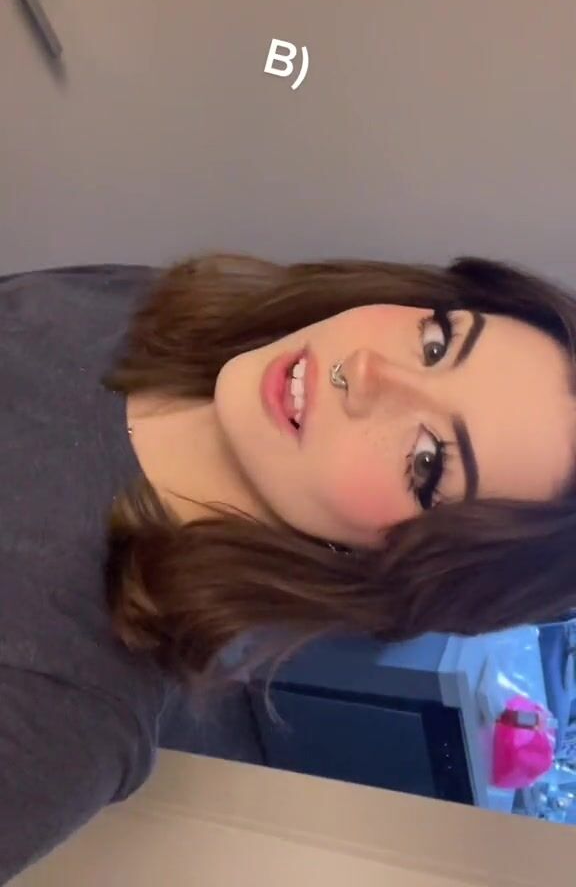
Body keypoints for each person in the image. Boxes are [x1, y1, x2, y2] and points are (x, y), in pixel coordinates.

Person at [1, 251, 575, 881]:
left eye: (426, 462)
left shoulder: (66, 709)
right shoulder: (147, 306)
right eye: (436, 343)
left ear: (402, 567)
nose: (367, 372)